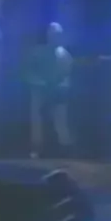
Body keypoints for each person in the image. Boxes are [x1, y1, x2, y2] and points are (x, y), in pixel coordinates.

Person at [26, 22, 74, 158]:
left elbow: (68, 74)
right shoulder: (37, 52)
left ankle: (64, 148)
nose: (55, 37)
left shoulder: (65, 55)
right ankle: (37, 147)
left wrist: (62, 87)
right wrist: (39, 82)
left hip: (58, 91)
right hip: (40, 91)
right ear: (48, 35)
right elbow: (28, 71)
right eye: (53, 34)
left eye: (58, 34)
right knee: (37, 121)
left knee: (60, 120)